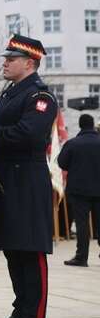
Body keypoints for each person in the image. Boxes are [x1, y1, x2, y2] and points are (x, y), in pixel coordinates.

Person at [0, 34, 57, 318]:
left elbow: (28, 134)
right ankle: (21, 310)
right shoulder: (10, 94)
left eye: (11, 59)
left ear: (29, 63)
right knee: (13, 247)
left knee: (30, 248)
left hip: (27, 179)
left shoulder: (40, 97)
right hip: (7, 179)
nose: (5, 62)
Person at [58, 113, 100, 267]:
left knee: (82, 225)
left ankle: (82, 257)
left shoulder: (73, 143)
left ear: (81, 125)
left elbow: (62, 163)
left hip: (79, 191)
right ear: (92, 125)